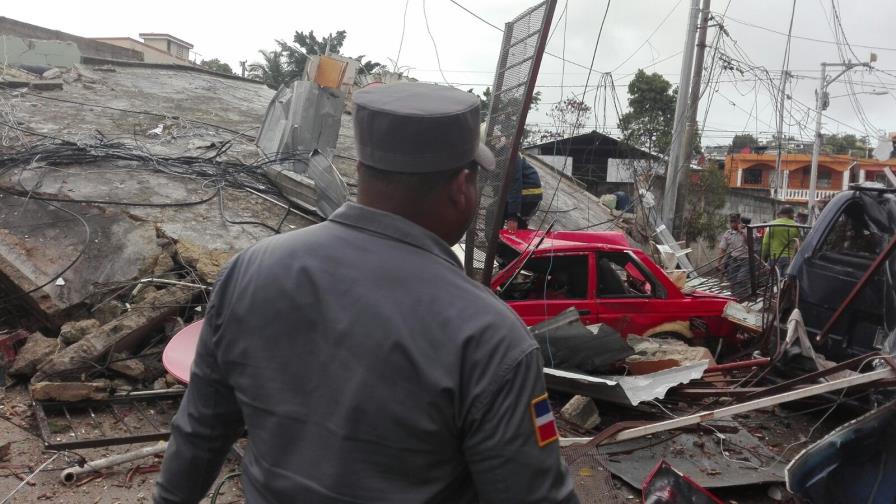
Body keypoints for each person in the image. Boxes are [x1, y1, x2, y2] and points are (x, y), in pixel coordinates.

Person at [154, 82, 576, 504]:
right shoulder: (490, 337)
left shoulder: (249, 271)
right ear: (461, 186)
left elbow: (199, 434)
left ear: (359, 169)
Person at [505, 155, 543, 232]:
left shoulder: (511, 156)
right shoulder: (504, 153)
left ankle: (498, 239)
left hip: (527, 195)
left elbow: (515, 186)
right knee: (518, 221)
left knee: (496, 211)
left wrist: (513, 215)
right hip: (530, 193)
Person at [718, 213, 749, 298]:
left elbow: (751, 243)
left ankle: (743, 297)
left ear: (739, 221)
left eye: (735, 221)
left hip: (746, 260)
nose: (733, 224)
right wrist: (719, 262)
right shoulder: (728, 233)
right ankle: (734, 298)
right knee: (733, 280)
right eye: (731, 222)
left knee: (741, 279)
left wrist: (741, 231)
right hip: (734, 260)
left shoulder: (747, 230)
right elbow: (723, 249)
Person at [761, 205, 799, 274]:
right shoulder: (796, 226)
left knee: (773, 282)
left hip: (774, 258)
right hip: (789, 258)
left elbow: (765, 243)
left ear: (781, 214)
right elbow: (799, 244)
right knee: (784, 282)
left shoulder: (772, 224)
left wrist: (762, 258)